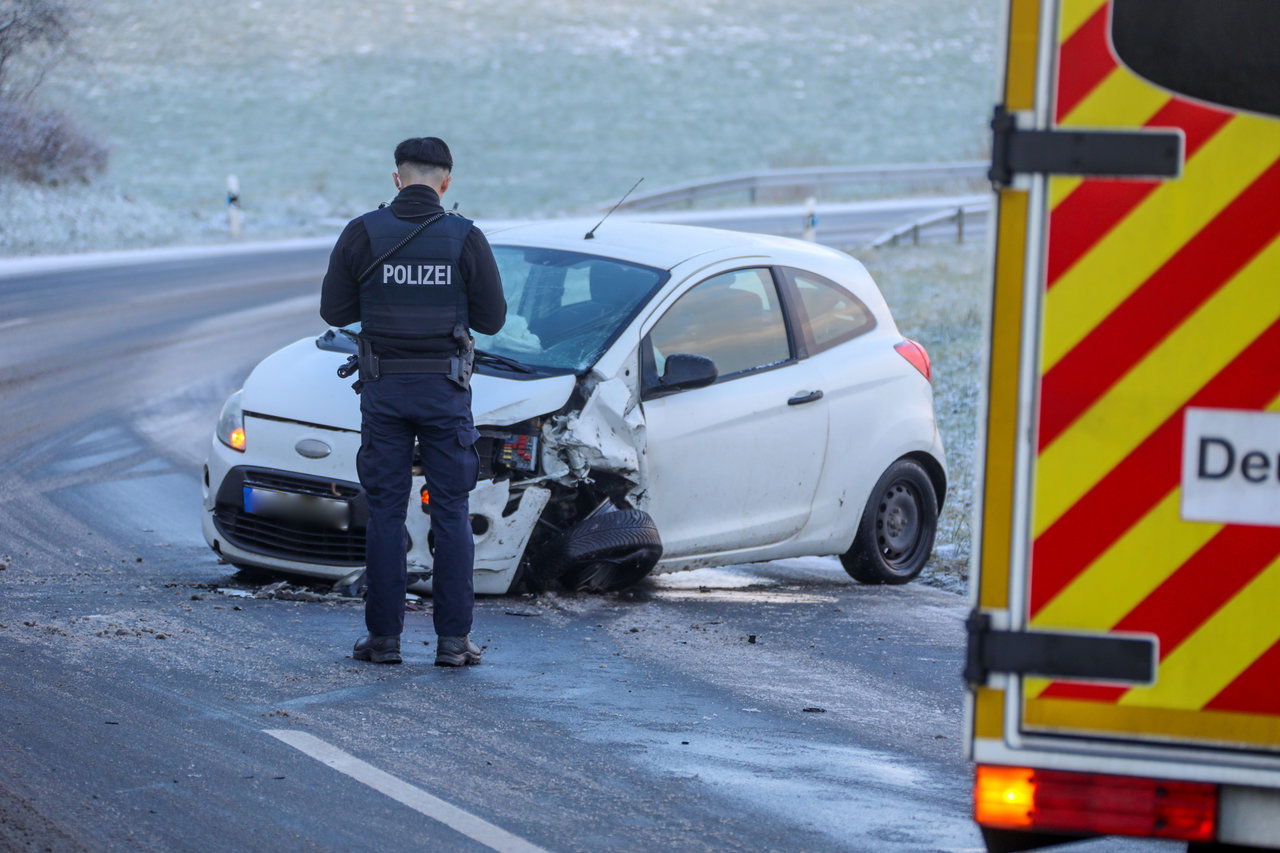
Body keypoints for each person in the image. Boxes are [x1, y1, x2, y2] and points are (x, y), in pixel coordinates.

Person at [320, 137, 506, 666]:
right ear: (446, 183)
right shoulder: (465, 237)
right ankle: (452, 642)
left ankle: (383, 641)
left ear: (397, 179)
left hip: (383, 393)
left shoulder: (362, 232)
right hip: (445, 394)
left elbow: (334, 311)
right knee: (450, 513)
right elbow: (491, 320)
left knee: (384, 513)